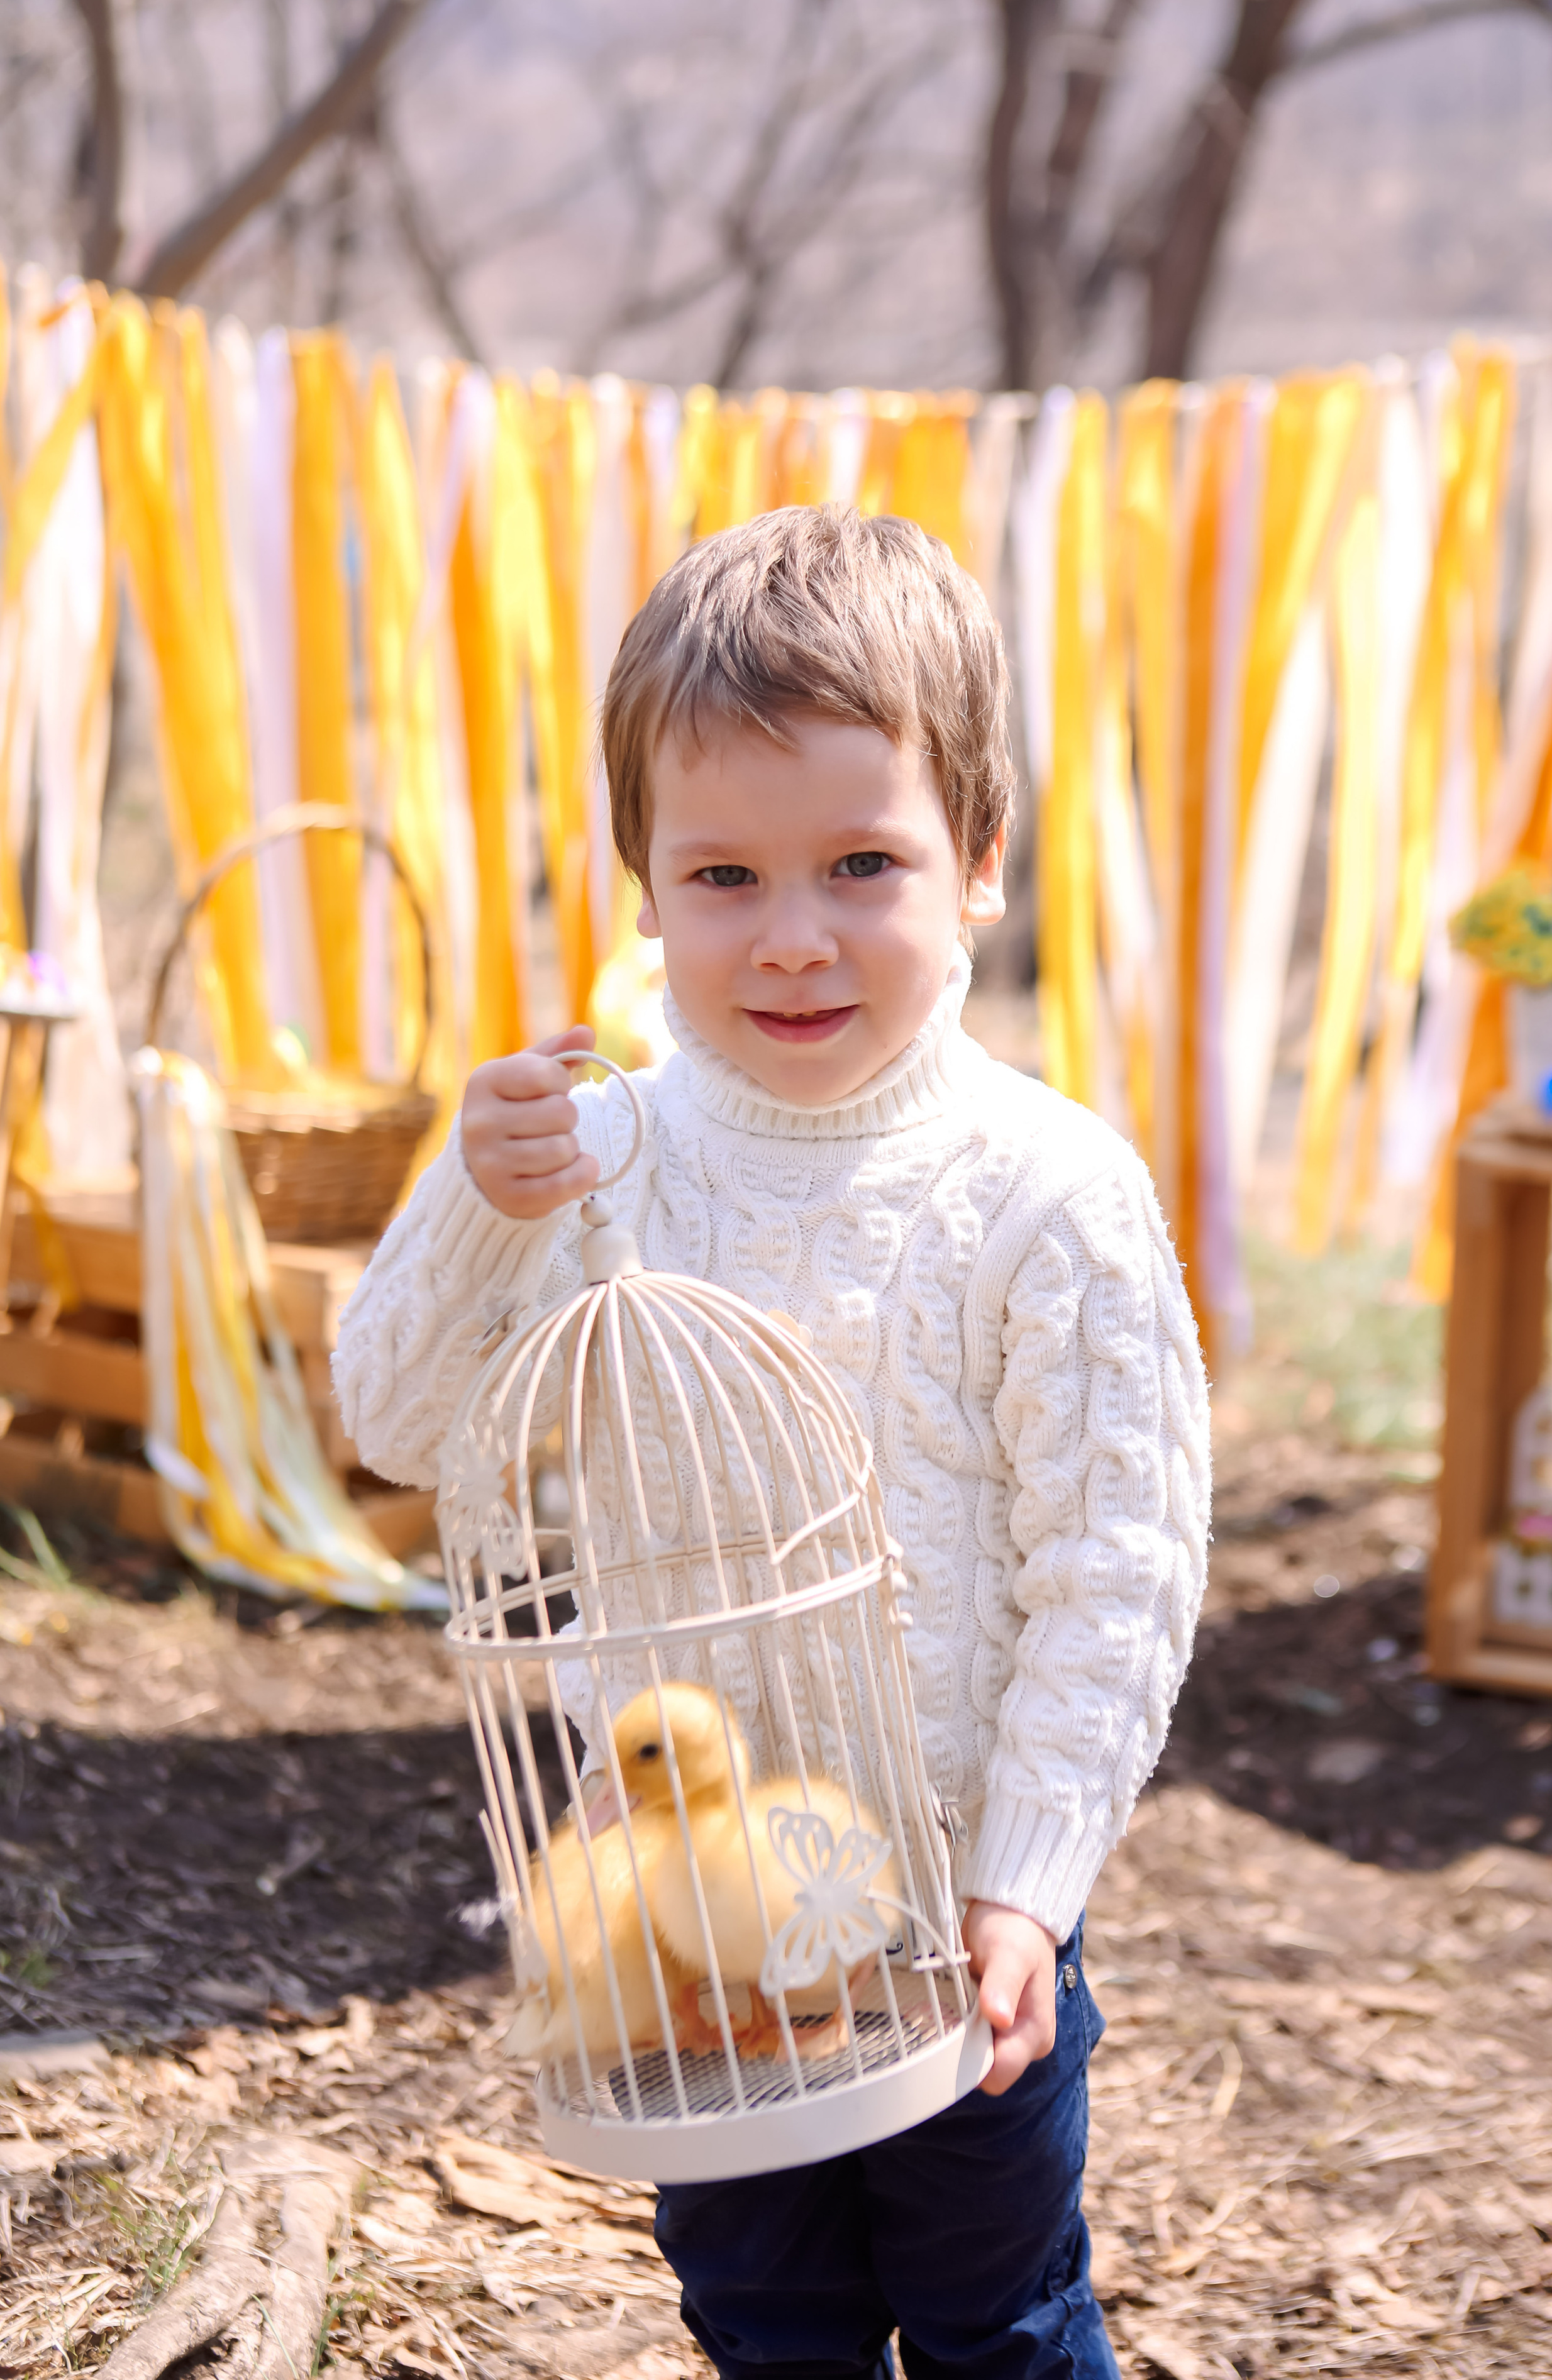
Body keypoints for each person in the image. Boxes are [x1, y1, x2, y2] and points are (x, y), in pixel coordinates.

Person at [335, 504, 1210, 2380]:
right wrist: (477, 1206)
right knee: (767, 2315)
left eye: (863, 864)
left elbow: (1118, 1570)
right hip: (688, 1929)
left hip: (959, 1918)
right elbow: (399, 1421)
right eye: (723, 875)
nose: (793, 938)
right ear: (643, 885)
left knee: (1001, 2315)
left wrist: (1027, 1887)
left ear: (979, 862)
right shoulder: (596, 1162)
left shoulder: (1045, 1192)